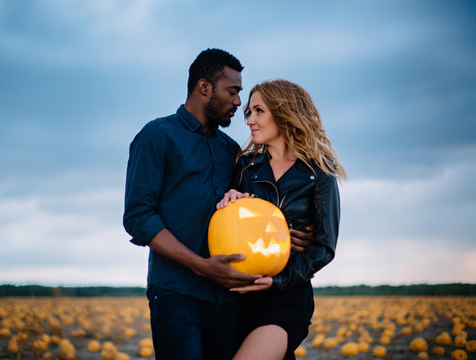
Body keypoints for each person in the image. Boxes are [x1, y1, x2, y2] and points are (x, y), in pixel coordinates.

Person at [123, 49, 272, 359]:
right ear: (204, 88)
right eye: (232, 91)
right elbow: (138, 217)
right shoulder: (156, 136)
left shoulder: (231, 150)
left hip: (230, 301)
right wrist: (202, 267)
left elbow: (250, 210)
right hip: (176, 296)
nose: (237, 103)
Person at [216, 79, 346, 360]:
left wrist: (280, 281)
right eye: (248, 112)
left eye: (258, 111)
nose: (250, 119)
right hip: (237, 298)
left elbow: (324, 247)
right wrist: (230, 202)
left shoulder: (320, 172)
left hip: (285, 298)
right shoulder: (245, 166)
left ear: (284, 112)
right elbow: (233, 227)